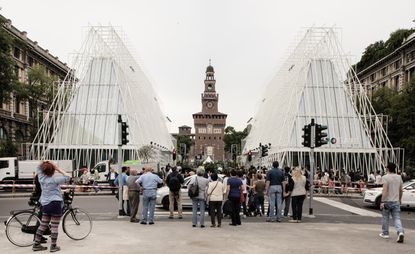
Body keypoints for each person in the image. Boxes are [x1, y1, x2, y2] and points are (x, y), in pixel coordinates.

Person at [32, 161, 70, 252]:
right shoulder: (55, 179)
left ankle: (36, 244)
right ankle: (53, 246)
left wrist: (46, 162)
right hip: (55, 203)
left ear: (43, 170)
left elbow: (38, 167)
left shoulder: (41, 178)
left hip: (45, 204)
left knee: (43, 225)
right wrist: (57, 168)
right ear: (53, 171)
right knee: (54, 226)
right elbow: (68, 176)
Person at [379, 162, 405, 243]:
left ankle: (385, 233)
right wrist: (400, 199)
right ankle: (400, 232)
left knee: (385, 217)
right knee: (396, 218)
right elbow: (401, 190)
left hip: (387, 201)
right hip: (396, 201)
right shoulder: (399, 177)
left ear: (387, 168)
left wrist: (382, 201)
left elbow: (385, 190)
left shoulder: (385, 177)